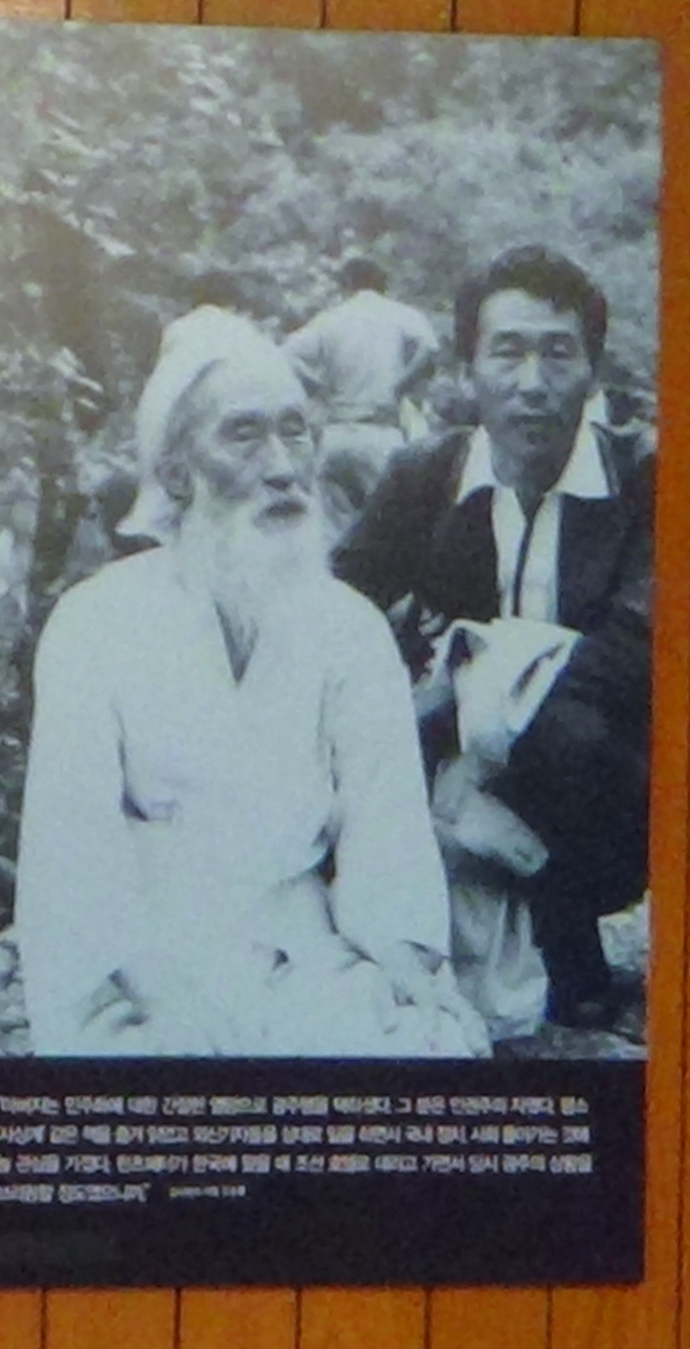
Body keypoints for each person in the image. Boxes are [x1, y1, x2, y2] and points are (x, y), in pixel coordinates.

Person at [16, 324, 482, 1059]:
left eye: (295, 432)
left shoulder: (349, 626)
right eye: (244, 435)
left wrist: (404, 956)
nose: (283, 467)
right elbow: (71, 845)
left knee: (425, 1050)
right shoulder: (94, 621)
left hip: (302, 952)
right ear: (176, 474)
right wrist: (155, 995)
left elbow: (385, 822)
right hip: (137, 962)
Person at [334, 245, 652, 1036]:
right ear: (468, 367)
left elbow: (635, 653)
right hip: (447, 770)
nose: (532, 382)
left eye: (559, 353)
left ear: (593, 369)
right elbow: (335, 612)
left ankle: (567, 935)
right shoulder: (425, 476)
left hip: (598, 779)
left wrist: (461, 695)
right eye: (507, 351)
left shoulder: (647, 479)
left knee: (575, 728)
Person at [284, 257, 443, 529]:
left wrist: (318, 388)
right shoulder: (396, 313)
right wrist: (398, 386)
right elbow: (430, 349)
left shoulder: (331, 318)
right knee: (391, 525)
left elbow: (287, 354)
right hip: (379, 431)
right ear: (382, 285)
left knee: (334, 529)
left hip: (336, 435)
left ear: (347, 285)